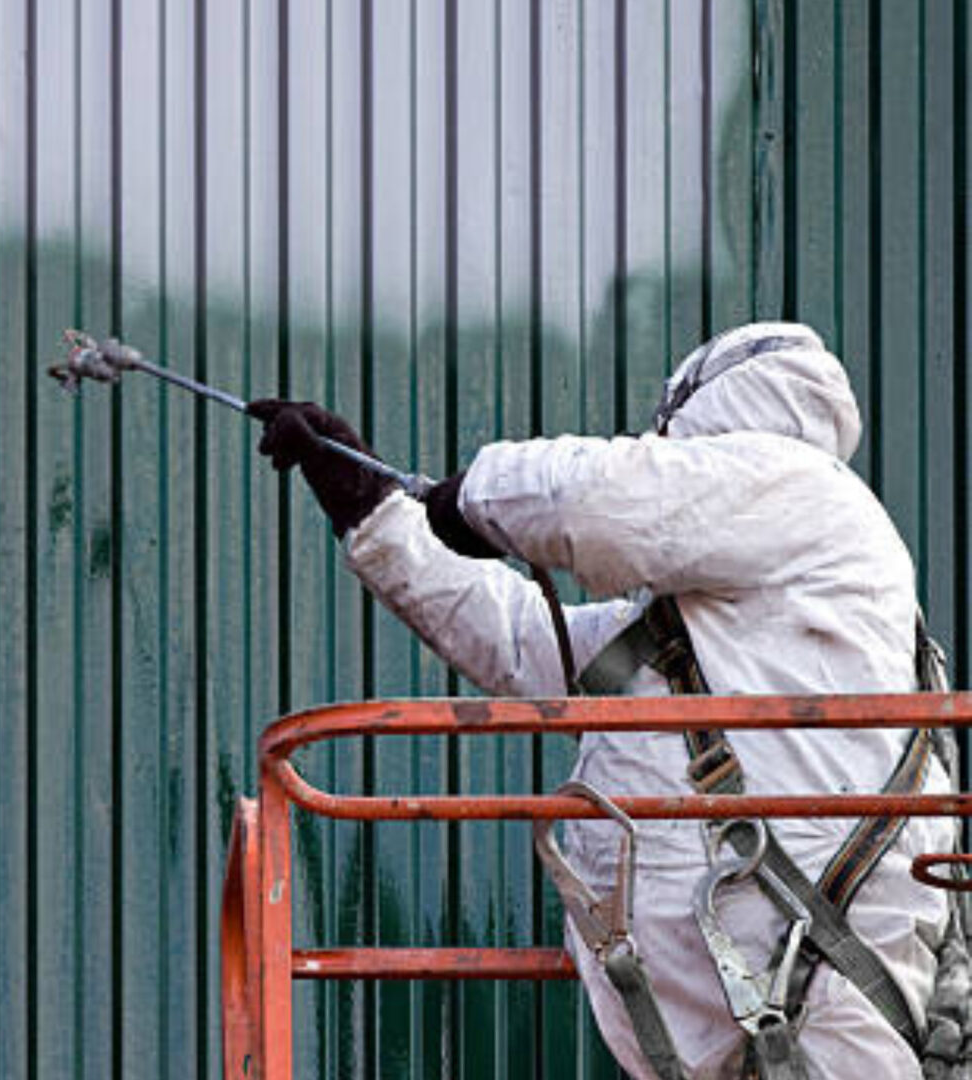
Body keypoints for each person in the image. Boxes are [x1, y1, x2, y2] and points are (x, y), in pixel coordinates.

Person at [250, 322, 959, 1079]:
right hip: (753, 997)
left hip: (816, 981)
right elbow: (526, 646)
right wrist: (373, 511)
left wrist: (469, 499)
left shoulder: (807, 495)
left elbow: (598, 503)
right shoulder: (709, 622)